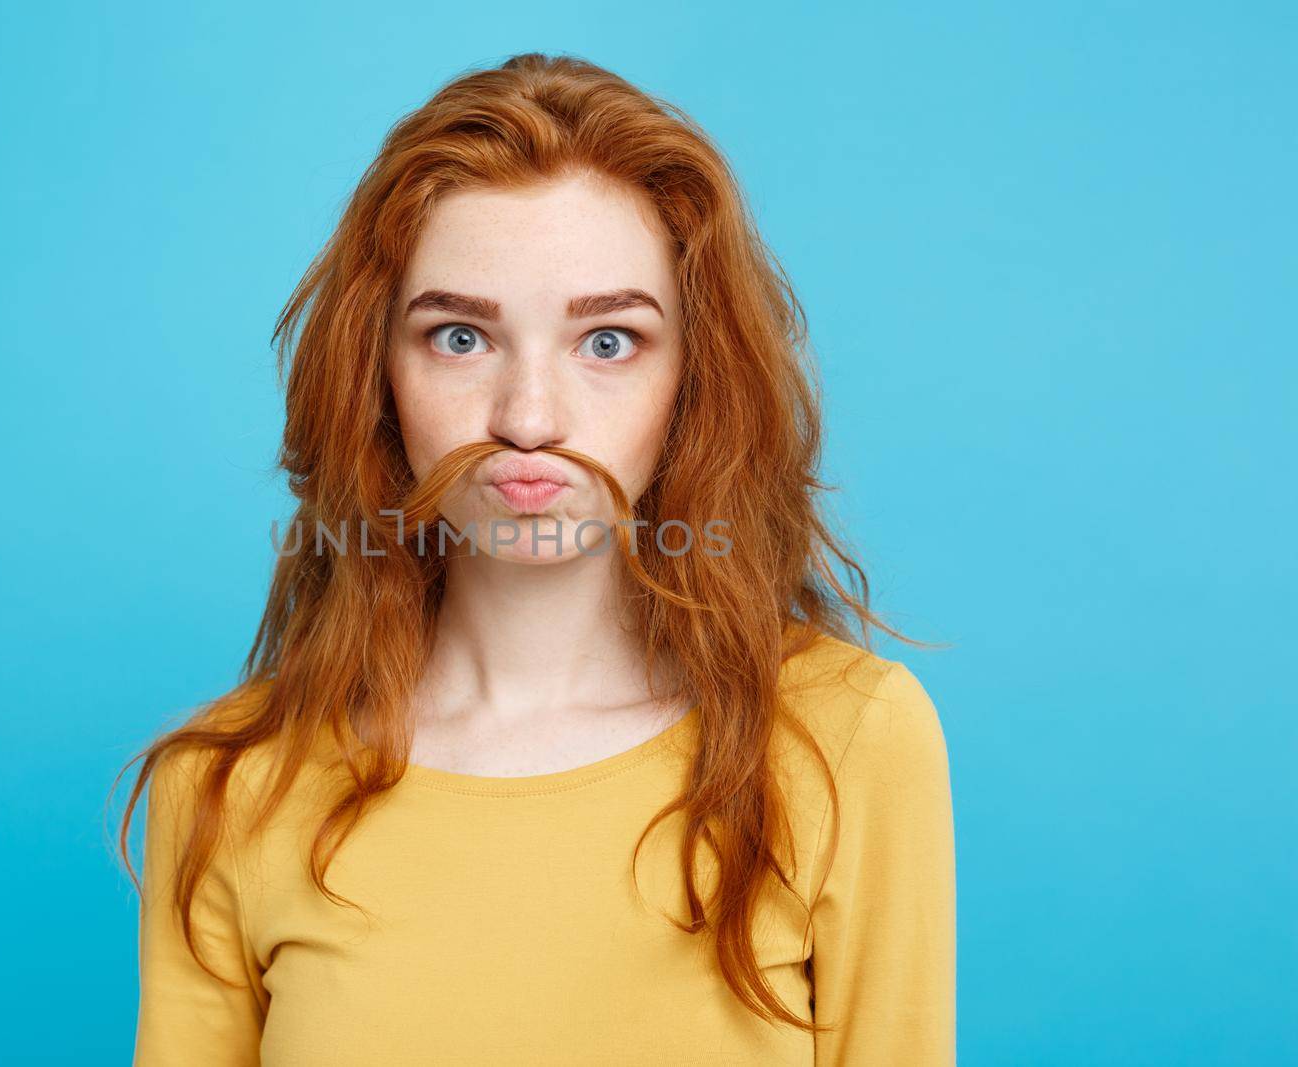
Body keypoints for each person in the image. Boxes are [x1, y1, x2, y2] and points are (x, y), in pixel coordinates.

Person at [117, 51, 955, 1065]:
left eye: (607, 341)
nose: (527, 419)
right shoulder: (231, 782)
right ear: (376, 371)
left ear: (695, 378)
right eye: (459, 337)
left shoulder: (844, 739)